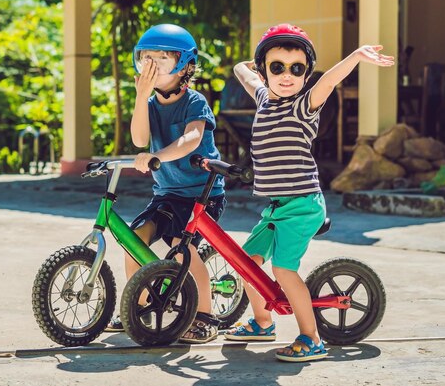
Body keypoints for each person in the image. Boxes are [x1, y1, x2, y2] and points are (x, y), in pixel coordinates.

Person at [224, 24, 394, 361]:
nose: (287, 75)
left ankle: (311, 337)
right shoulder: (262, 99)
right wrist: (261, 54)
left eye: (297, 69)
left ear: (306, 75)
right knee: (247, 263)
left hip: (303, 205)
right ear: (265, 70)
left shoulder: (303, 106)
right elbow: (240, 70)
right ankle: (262, 322)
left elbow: (329, 80)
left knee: (283, 270)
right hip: (278, 207)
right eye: (277, 67)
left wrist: (356, 57)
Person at [105, 24, 226, 344]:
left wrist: (158, 155)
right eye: (146, 58)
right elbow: (139, 138)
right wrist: (140, 98)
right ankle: (139, 305)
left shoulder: (195, 102)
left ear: (185, 66)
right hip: (167, 194)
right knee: (134, 241)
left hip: (202, 195)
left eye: (163, 58)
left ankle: (204, 316)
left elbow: (190, 140)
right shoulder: (149, 104)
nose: (153, 65)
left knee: (180, 249)